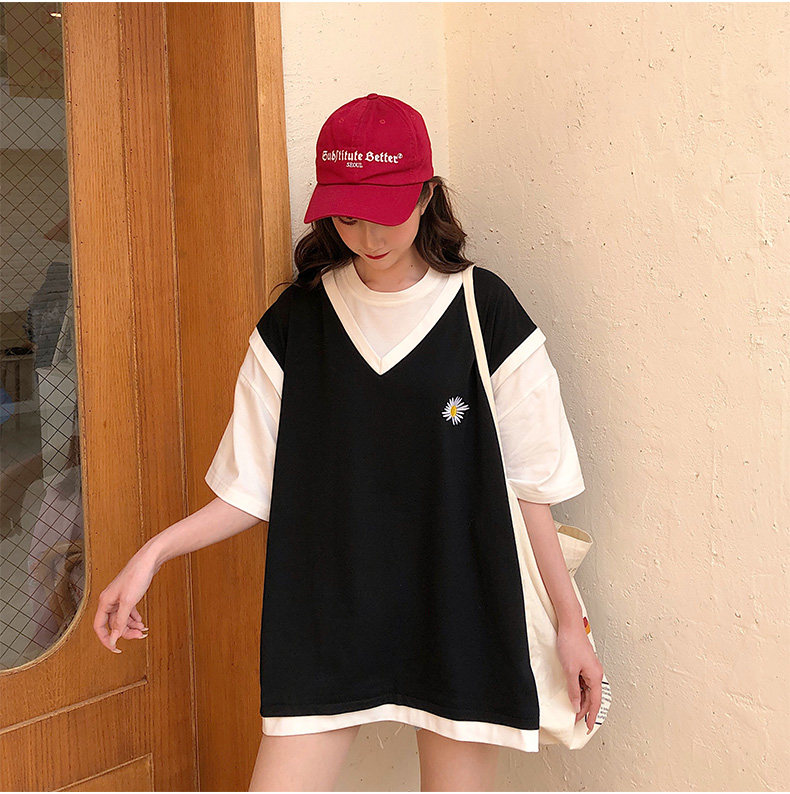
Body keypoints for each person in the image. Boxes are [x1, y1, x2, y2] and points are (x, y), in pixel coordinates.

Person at [94, 93, 604, 791]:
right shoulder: (295, 323)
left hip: (459, 606)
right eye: (347, 214)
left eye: (386, 210)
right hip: (325, 610)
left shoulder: (484, 311)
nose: (368, 235)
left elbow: (530, 491)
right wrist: (151, 555)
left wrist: (571, 626)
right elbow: (249, 488)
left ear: (426, 195)